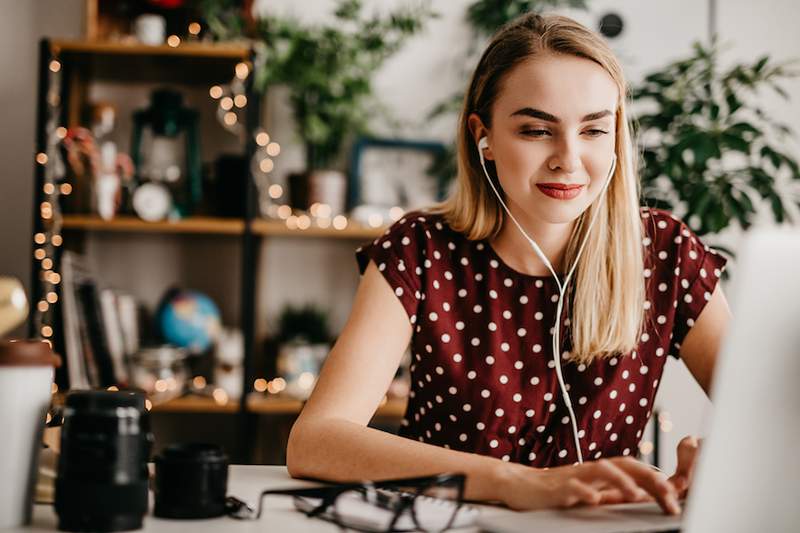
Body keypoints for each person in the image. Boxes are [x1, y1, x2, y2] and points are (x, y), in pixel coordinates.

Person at [286, 12, 731, 516]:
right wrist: (512, 482)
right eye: (537, 130)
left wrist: (726, 455)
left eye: (593, 130)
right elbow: (315, 441)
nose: (568, 158)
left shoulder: (666, 251)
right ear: (485, 138)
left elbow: (779, 417)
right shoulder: (420, 249)